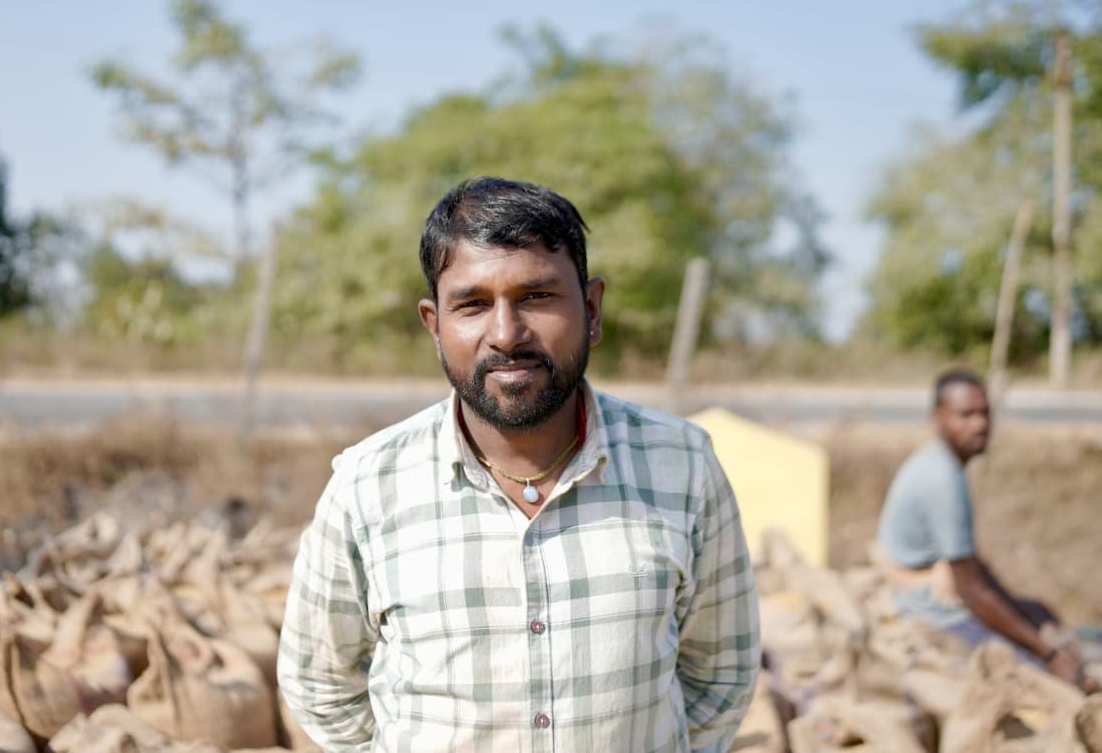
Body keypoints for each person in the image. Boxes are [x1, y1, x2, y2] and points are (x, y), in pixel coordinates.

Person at [278, 176, 760, 751]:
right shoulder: (366, 485)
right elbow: (320, 683)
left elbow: (720, 674)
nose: (506, 334)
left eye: (536, 297)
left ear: (592, 310)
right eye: (473, 304)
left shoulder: (682, 465)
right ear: (435, 326)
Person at [875, 368, 1098, 692]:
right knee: (1048, 680)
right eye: (965, 415)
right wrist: (1048, 655)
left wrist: (1022, 612)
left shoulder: (941, 463)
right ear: (938, 417)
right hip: (935, 613)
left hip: (945, 595)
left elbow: (972, 570)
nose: (979, 424)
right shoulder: (941, 478)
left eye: (984, 413)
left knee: (1038, 615)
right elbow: (971, 589)